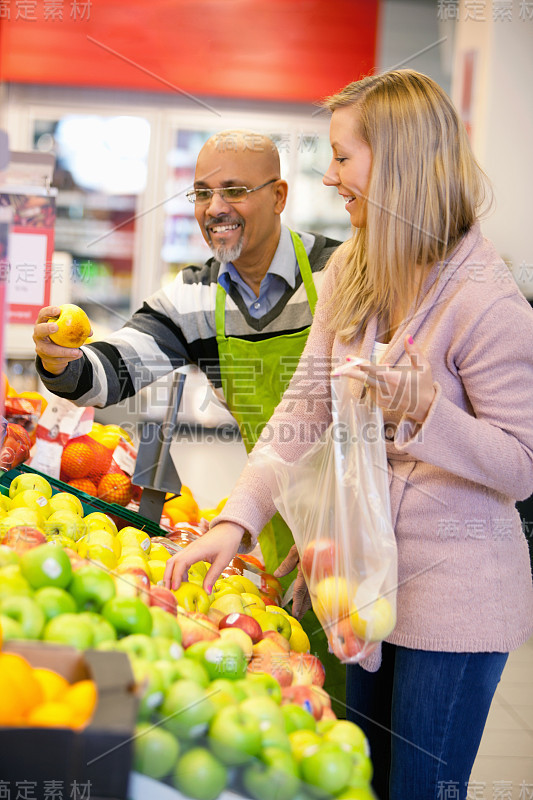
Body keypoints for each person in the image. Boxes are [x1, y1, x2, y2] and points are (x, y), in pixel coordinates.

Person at [163, 70, 533, 800]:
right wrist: (236, 519)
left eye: (341, 156)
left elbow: (519, 467)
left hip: (455, 603)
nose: (329, 177)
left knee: (419, 790)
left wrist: (427, 415)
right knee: (355, 780)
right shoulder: (352, 276)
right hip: (360, 590)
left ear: (396, 160)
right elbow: (300, 414)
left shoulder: (487, 302)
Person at [33, 130, 346, 703]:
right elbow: (112, 370)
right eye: (202, 193)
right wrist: (62, 358)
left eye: (234, 190)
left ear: (279, 196)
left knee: (369, 716)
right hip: (273, 525)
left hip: (369, 526)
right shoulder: (195, 296)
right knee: (298, 695)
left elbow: (386, 408)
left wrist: (340, 524)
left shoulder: (341, 274)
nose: (214, 208)